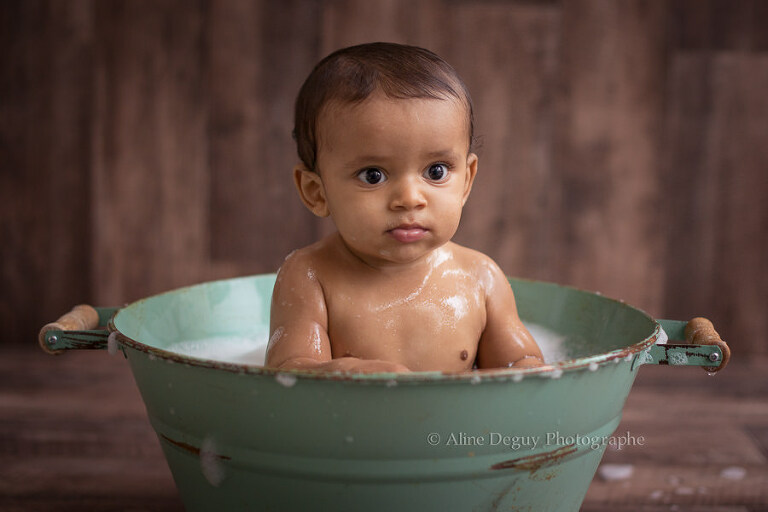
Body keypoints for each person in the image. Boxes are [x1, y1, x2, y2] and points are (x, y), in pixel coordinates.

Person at [265, 42, 544, 373]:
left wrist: (528, 370)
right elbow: (288, 373)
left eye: (435, 171)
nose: (410, 198)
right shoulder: (310, 276)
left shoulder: (480, 278)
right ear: (317, 192)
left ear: (466, 180)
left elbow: (523, 364)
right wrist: (347, 373)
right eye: (373, 175)